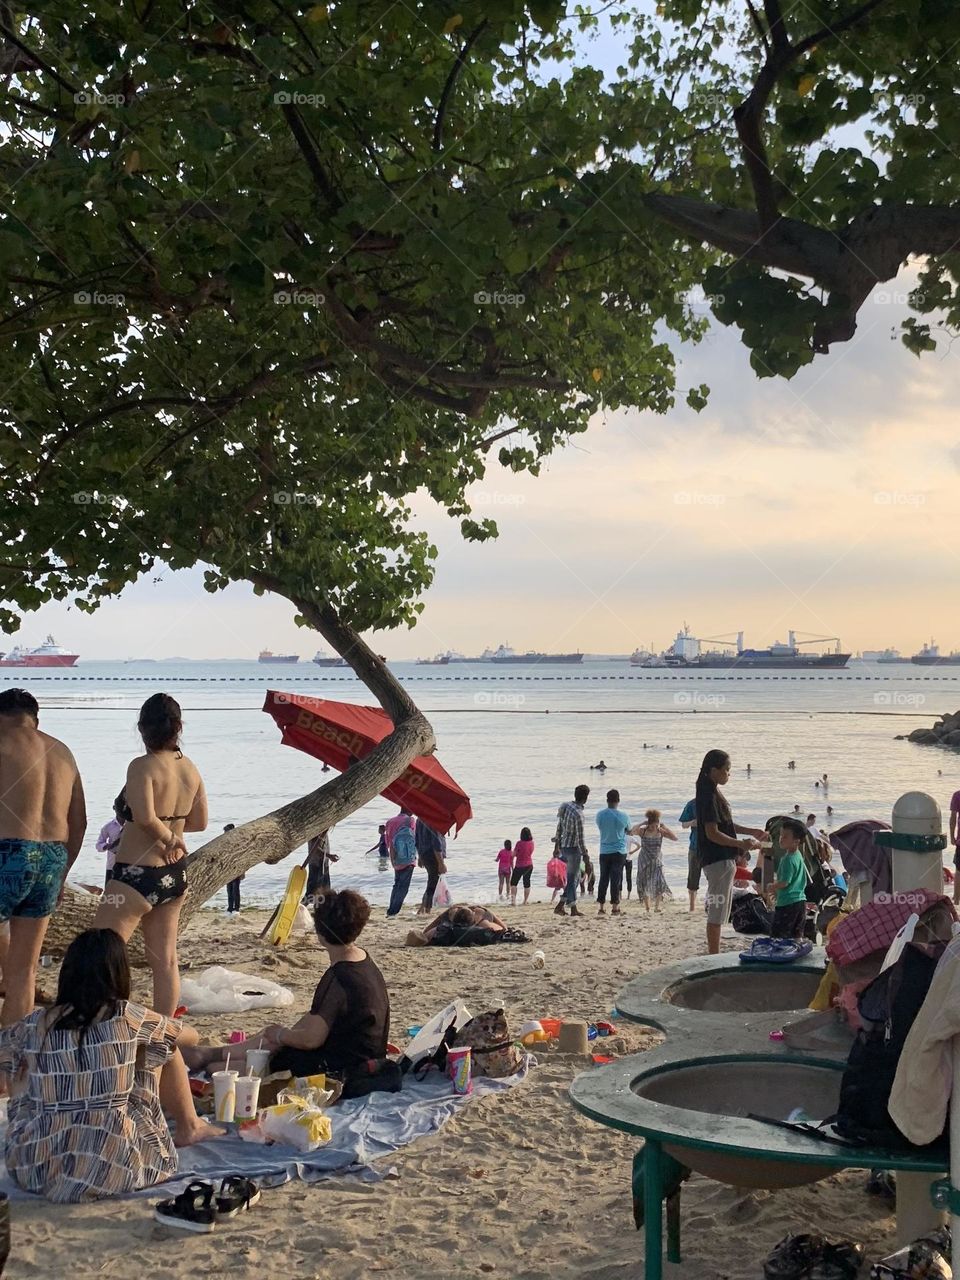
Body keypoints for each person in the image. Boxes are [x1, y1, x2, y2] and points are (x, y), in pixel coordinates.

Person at [0, 929, 223, 1203]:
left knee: (18, 1065)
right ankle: (190, 1127)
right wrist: (141, 1035)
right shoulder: (126, 1015)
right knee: (164, 1045)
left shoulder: (36, 1023)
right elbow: (191, 1036)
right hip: (116, 1165)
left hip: (38, 1168)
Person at [93, 694, 206, 1016]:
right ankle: (164, 1029)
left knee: (102, 952)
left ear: (142, 728)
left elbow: (144, 817)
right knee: (165, 959)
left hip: (135, 874)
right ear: (178, 727)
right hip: (174, 876)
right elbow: (199, 822)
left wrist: (168, 838)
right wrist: (175, 834)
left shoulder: (141, 766)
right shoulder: (190, 768)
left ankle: (106, 1023)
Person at [0, 688, 86, 1026]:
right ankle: (12, 1053)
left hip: (6, 852)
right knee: (24, 972)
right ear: (35, 719)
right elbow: (79, 822)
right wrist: (62, 874)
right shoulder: (61, 752)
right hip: (51, 857)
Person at [259, 891, 389, 1078]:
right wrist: (286, 1034)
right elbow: (319, 1017)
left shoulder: (339, 976)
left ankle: (220, 1060)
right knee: (275, 1046)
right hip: (372, 1058)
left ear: (320, 933)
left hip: (349, 1069)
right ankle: (220, 1054)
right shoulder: (364, 960)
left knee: (279, 1059)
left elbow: (312, 1040)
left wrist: (281, 1035)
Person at [695, 749, 766, 954]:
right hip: (717, 859)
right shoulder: (707, 795)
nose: (729, 773)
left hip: (721, 859)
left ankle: (714, 953)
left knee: (720, 911)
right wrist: (740, 844)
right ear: (713, 770)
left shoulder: (711, 791)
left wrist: (750, 831)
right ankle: (714, 955)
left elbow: (724, 825)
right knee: (717, 912)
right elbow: (712, 833)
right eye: (726, 769)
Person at [766, 817, 808, 940]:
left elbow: (785, 882)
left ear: (796, 841)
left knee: (778, 934)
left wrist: (772, 886)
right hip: (800, 901)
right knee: (796, 934)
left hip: (787, 904)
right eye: (780, 835)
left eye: (785, 837)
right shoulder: (798, 855)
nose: (781, 839)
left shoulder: (787, 860)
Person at [595, 789, 632, 916]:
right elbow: (629, 830)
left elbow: (601, 828)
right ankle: (615, 907)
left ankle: (601, 907)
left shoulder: (600, 815)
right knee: (616, 878)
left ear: (607, 800)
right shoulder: (624, 816)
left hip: (604, 850)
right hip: (619, 850)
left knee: (603, 878)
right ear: (618, 800)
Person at [555, 785, 589, 917]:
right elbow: (580, 839)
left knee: (575, 877)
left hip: (564, 847)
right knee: (573, 878)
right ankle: (573, 909)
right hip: (574, 849)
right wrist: (585, 855)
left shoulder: (566, 806)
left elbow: (559, 827)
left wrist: (557, 845)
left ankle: (561, 905)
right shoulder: (579, 815)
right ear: (585, 798)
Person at [634, 809, 677, 913]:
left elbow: (675, 838)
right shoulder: (643, 831)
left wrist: (665, 827)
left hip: (657, 860)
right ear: (648, 824)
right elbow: (631, 831)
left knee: (659, 882)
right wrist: (642, 823)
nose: (654, 828)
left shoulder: (660, 832)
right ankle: (647, 908)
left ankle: (657, 907)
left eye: (655, 826)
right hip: (644, 860)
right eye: (651, 826)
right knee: (644, 883)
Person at [386, 809, 417, 917]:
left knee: (397, 885)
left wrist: (393, 857)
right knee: (403, 887)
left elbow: (388, 842)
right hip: (408, 858)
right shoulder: (410, 820)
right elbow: (413, 838)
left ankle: (391, 910)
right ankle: (394, 912)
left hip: (395, 857)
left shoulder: (390, 822)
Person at [415, 818, 447, 915]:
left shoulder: (420, 818)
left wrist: (420, 856)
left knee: (431, 881)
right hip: (433, 855)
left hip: (425, 854)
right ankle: (426, 908)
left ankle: (423, 907)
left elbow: (417, 840)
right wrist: (441, 863)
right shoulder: (433, 820)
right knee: (433, 882)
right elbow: (436, 843)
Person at [95, 792, 126, 892]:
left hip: (128, 864)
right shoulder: (108, 827)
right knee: (110, 892)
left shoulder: (131, 827)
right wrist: (108, 846)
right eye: (118, 808)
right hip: (112, 865)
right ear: (114, 808)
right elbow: (99, 845)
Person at [305, 829, 339, 904]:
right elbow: (315, 848)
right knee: (312, 892)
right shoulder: (315, 829)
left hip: (323, 863)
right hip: (316, 863)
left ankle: (324, 908)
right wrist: (329, 856)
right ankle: (300, 907)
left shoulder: (323, 830)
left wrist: (328, 856)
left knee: (325, 891)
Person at [679, 798, 700, 912]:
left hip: (712, 846)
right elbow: (683, 824)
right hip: (695, 845)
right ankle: (692, 906)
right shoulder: (692, 804)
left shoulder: (716, 802)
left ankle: (713, 903)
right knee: (693, 877)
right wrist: (693, 822)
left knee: (714, 877)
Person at [510, 827, 535, 906]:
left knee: (513, 883)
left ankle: (513, 901)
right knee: (526, 883)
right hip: (529, 865)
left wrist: (515, 854)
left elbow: (514, 854)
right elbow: (529, 852)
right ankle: (525, 901)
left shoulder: (519, 843)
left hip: (519, 865)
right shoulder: (532, 843)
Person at [223, 824, 242, 913]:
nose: (224, 833)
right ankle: (230, 908)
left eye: (226, 831)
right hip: (229, 869)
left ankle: (236, 908)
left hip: (236, 869)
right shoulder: (226, 843)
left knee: (235, 889)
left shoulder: (237, 843)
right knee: (229, 889)